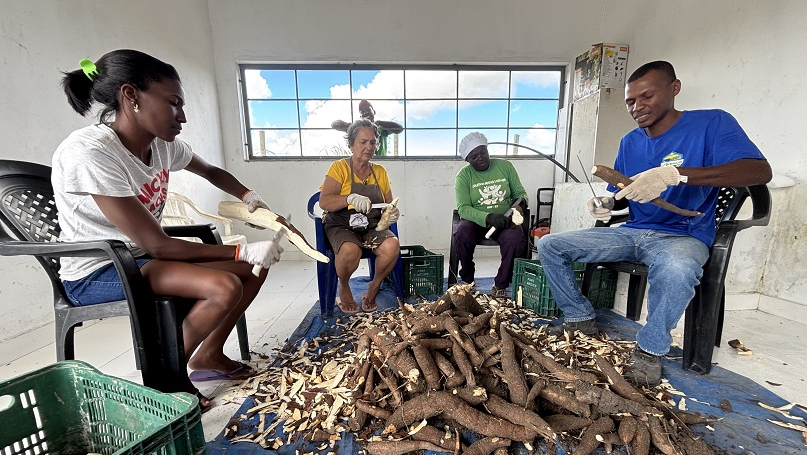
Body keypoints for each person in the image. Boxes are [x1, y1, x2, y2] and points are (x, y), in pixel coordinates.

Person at [54, 49, 284, 410]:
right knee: (223, 285)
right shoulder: (90, 152)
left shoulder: (163, 146)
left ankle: (207, 356)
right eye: (174, 103)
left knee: (254, 269)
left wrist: (247, 195)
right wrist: (239, 250)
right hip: (99, 269)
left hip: (142, 257)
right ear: (131, 96)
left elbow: (210, 171)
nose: (183, 116)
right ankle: (165, 378)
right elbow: (159, 246)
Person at [537, 61, 771, 387]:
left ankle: (651, 348)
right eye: (631, 101)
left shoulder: (711, 123)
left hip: (683, 235)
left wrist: (677, 174)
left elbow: (759, 172)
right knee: (550, 244)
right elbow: (621, 195)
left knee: (677, 268)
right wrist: (606, 204)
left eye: (646, 96)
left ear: (674, 88)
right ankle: (579, 316)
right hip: (632, 232)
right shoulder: (630, 142)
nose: (637, 107)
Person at [319, 119, 401, 313]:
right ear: (351, 145)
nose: (368, 147)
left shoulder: (379, 171)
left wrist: (390, 213)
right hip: (342, 225)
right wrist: (349, 198)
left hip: (371, 225)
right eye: (362, 142)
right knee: (350, 250)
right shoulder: (339, 168)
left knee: (392, 245)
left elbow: (387, 204)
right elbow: (325, 202)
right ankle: (344, 285)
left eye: (372, 142)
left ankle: (374, 285)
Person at [454, 132, 528, 298]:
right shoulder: (464, 176)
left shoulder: (505, 166)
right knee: (461, 234)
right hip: (477, 221)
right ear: (467, 160)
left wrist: (518, 207)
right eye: (474, 156)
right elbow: (464, 208)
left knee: (515, 238)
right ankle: (467, 278)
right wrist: (488, 217)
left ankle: (501, 283)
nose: (480, 157)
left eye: (483, 152)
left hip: (504, 220)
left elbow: (520, 194)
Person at [331, 100, 403, 156]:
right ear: (360, 117)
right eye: (362, 112)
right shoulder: (356, 129)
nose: (365, 113)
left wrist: (379, 123)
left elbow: (399, 129)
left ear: (374, 112)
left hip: (381, 162)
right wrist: (350, 125)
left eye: (368, 110)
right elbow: (334, 125)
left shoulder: (381, 128)